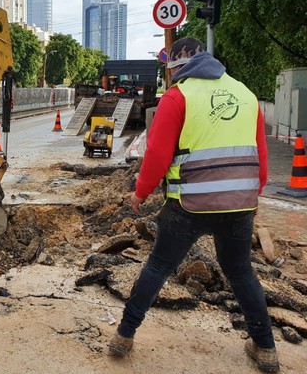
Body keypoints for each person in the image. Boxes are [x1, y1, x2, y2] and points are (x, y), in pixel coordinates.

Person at [108, 37, 278, 373]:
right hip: (239, 204)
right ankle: (266, 348)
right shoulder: (246, 94)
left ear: (175, 63)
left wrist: (140, 192)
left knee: (158, 267)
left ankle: (124, 336)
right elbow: (260, 154)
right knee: (241, 272)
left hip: (189, 203)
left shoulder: (178, 96)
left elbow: (157, 155)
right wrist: (253, 196)